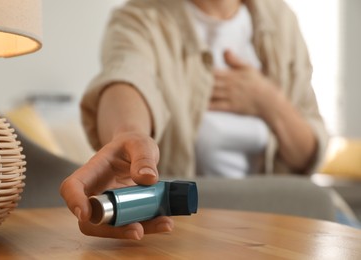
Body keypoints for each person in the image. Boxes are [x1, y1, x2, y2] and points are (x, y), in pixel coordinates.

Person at [60, 0, 329, 240]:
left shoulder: (281, 19)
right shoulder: (140, 16)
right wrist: (127, 135)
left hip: (286, 227)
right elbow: (127, 74)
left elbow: (307, 154)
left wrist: (270, 103)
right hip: (191, 232)